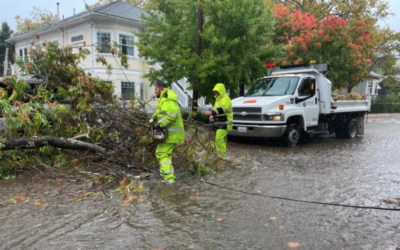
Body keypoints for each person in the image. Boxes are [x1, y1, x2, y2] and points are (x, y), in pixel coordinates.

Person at [152, 81, 185, 184]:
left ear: (161, 89)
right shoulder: (164, 99)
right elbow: (160, 113)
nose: (155, 92)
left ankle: (169, 179)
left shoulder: (167, 99)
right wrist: (152, 118)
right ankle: (166, 175)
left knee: (162, 153)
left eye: (156, 89)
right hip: (167, 134)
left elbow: (171, 115)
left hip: (170, 134)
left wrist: (160, 124)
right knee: (160, 152)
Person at [204, 83, 233, 158]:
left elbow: (222, 109)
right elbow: (216, 110)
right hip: (219, 121)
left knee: (219, 138)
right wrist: (212, 115)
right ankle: (221, 156)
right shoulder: (218, 99)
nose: (215, 93)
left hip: (225, 122)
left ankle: (222, 156)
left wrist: (211, 112)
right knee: (220, 140)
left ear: (221, 91)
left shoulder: (226, 99)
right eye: (215, 91)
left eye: (217, 91)